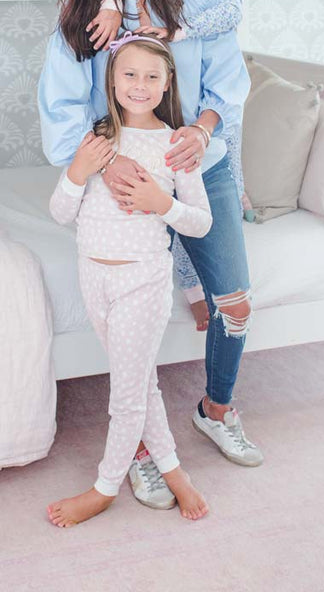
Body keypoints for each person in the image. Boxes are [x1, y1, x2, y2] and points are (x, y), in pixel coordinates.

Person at [39, 0, 263, 513]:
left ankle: (216, 409)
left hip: (195, 160)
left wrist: (200, 129)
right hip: (121, 170)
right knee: (130, 323)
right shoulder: (87, 9)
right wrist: (103, 163)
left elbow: (229, 83)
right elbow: (61, 112)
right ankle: (140, 451)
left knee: (237, 302)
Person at [47, 34, 211, 526]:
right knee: (142, 386)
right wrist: (78, 169)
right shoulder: (97, 142)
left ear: (167, 83)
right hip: (93, 277)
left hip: (143, 282)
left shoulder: (175, 144)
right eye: (129, 75)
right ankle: (175, 472)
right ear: (112, 81)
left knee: (126, 393)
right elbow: (60, 212)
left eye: (152, 76)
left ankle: (103, 489)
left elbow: (200, 222)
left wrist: (162, 204)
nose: (140, 85)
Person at [93, 0, 253, 331]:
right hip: (158, 141)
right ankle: (190, 289)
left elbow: (230, 27)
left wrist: (202, 129)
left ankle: (239, 208)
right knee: (169, 213)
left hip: (209, 131)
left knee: (215, 186)